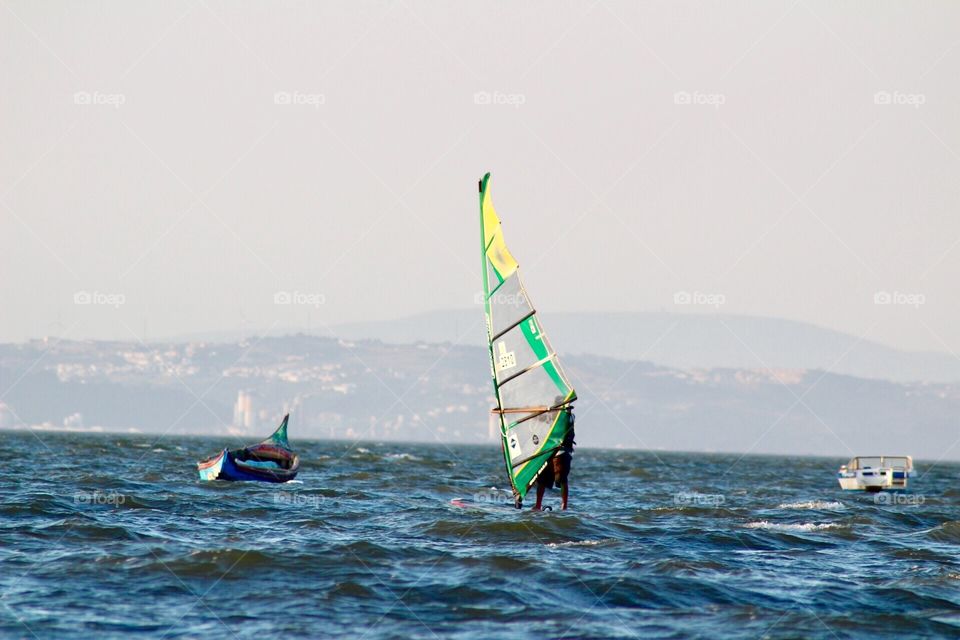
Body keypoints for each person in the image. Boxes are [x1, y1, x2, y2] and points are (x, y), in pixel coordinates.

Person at [533, 408, 575, 511]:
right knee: (541, 479)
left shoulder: (569, 416)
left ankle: (564, 505)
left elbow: (564, 421)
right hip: (548, 450)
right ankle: (538, 505)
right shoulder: (551, 416)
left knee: (561, 479)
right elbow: (541, 419)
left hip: (562, 450)